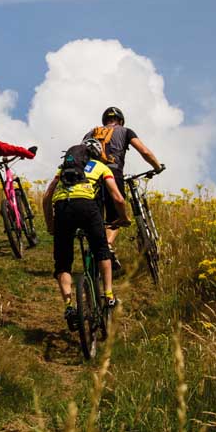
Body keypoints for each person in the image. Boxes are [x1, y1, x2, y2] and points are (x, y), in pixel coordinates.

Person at [41, 138, 131, 330]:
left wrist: (51, 225)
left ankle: (68, 306)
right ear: (96, 155)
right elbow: (118, 198)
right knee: (102, 251)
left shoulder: (62, 169)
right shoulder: (101, 167)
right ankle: (108, 295)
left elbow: (46, 197)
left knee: (63, 263)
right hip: (87, 207)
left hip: (63, 208)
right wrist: (123, 218)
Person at [83, 106, 164, 269]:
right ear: (120, 120)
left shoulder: (91, 132)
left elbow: (80, 153)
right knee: (117, 216)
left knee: (97, 218)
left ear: (104, 121)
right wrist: (157, 167)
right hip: (112, 174)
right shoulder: (125, 131)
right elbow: (144, 151)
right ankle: (108, 245)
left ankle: (96, 257)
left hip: (90, 177)